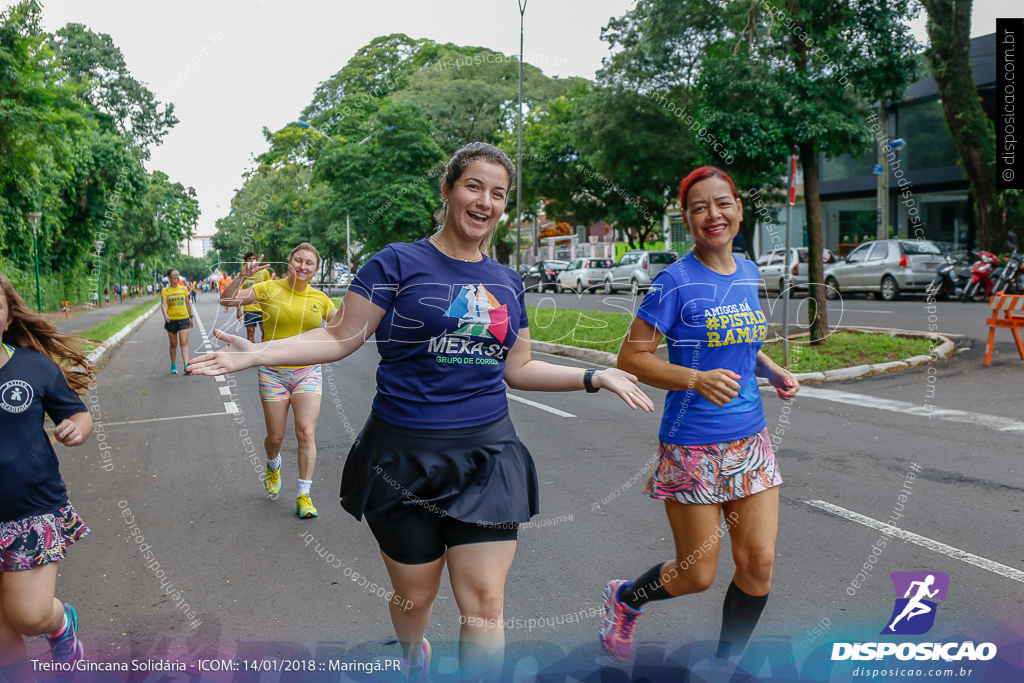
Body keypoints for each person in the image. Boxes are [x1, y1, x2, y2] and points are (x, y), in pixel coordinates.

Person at [190, 143, 655, 681]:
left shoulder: (506, 281)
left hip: (487, 456)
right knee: (414, 598)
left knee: (485, 602)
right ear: (448, 190)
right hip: (402, 457)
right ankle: (414, 656)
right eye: (474, 186)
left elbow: (520, 369)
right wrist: (261, 353)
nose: (485, 201)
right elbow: (340, 336)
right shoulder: (396, 263)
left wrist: (594, 376)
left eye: (498, 193)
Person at [598, 166, 799, 677]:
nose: (714, 215)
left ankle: (726, 663)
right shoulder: (675, 281)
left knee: (758, 564)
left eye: (723, 203)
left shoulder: (750, 271)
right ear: (686, 219)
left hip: (750, 439)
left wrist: (771, 369)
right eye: (700, 207)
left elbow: (741, 344)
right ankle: (625, 597)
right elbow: (632, 358)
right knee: (696, 574)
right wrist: (696, 379)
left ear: (738, 208)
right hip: (693, 447)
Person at [0, 273, 94, 682]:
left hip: (30, 508)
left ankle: (61, 623)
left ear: (7, 318)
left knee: (29, 615)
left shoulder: (33, 366)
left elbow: (76, 412)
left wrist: (76, 427)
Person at [218, 244, 339, 518]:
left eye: (309, 263)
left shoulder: (320, 299)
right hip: (273, 371)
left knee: (306, 432)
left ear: (316, 269)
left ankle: (304, 495)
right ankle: (273, 464)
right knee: (276, 436)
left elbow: (345, 328)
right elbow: (227, 302)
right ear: (289, 262)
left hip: (308, 371)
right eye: (299, 260)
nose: (303, 266)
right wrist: (242, 277)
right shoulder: (269, 289)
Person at [160, 269, 194, 375]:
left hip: (183, 318)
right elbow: (164, 304)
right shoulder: (165, 291)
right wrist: (165, 315)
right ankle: (173, 364)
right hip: (172, 320)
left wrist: (191, 317)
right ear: (169, 277)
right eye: (173, 275)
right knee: (173, 343)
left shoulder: (183, 289)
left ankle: (186, 365)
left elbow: (188, 304)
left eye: (177, 275)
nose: (176, 277)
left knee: (184, 342)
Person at [237, 251, 269, 344]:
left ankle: (263, 353)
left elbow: (270, 288)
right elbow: (238, 293)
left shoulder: (264, 272)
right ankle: (253, 354)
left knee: (266, 332)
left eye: (253, 258)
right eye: (249, 259)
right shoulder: (243, 274)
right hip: (249, 309)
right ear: (246, 261)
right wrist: (238, 310)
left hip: (263, 309)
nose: (252, 260)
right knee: (250, 333)